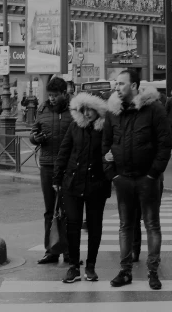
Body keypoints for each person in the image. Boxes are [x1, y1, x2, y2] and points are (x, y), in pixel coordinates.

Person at [102, 69, 172, 290]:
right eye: (115, 83)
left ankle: (153, 271)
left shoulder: (154, 109)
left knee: (152, 225)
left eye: (121, 83)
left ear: (134, 86)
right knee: (125, 226)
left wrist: (153, 174)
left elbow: (165, 144)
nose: (116, 87)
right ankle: (125, 272)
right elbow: (104, 145)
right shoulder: (112, 112)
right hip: (123, 179)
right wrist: (112, 174)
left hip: (148, 179)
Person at [53, 92, 111, 283]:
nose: (86, 113)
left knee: (95, 226)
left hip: (97, 183)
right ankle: (74, 267)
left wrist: (110, 172)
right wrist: (57, 176)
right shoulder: (74, 126)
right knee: (73, 224)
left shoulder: (105, 129)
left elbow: (111, 153)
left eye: (90, 109)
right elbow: (64, 150)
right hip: (72, 182)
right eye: (83, 109)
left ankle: (91, 266)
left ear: (98, 110)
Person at [30, 76, 72, 264]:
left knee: (69, 210)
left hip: (68, 167)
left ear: (64, 93)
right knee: (50, 210)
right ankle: (51, 251)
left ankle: (70, 252)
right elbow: (33, 132)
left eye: (55, 95)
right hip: (47, 165)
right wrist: (35, 138)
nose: (52, 98)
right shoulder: (42, 109)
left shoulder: (74, 110)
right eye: (50, 95)